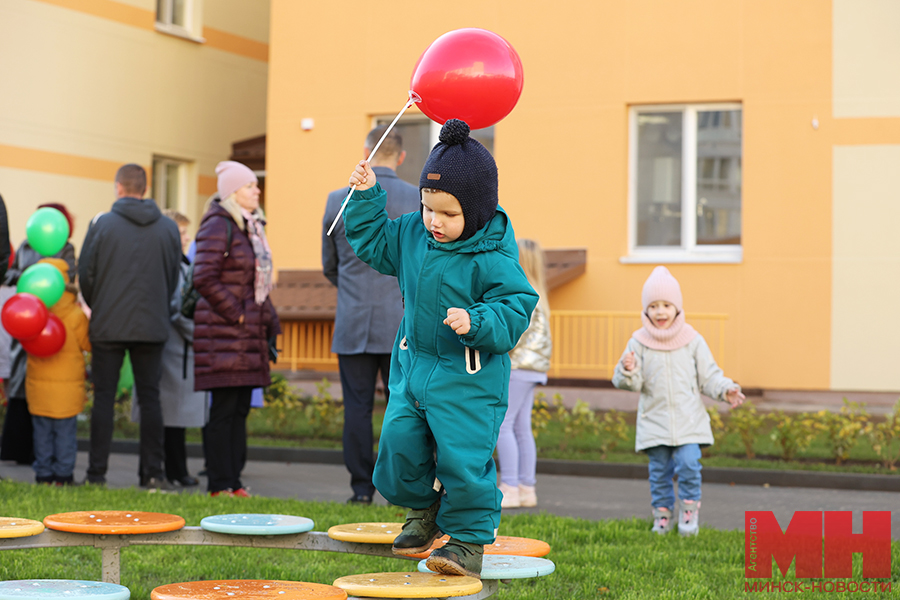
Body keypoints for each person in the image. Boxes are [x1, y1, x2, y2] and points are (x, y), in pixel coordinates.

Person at [344, 119, 538, 578]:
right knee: (397, 448)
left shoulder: (491, 253)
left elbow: (516, 306)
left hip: (467, 379)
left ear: (475, 211)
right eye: (428, 208)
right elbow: (372, 243)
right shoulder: (413, 234)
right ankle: (423, 511)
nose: (434, 221)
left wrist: (477, 320)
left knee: (464, 460)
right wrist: (369, 196)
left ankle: (467, 543)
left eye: (448, 214)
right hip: (414, 368)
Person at [322, 125, 421, 505]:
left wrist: (350, 290)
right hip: (402, 323)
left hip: (352, 320)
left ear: (367, 150)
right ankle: (403, 488)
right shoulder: (417, 199)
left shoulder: (337, 200)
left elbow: (329, 265)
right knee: (404, 408)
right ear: (401, 157)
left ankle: (360, 489)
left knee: (356, 409)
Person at [612, 266, 745, 536]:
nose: (660, 312)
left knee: (688, 464)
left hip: (689, 421)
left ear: (677, 308)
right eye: (653, 306)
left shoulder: (693, 341)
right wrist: (628, 370)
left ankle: (688, 510)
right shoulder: (638, 343)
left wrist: (726, 389)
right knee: (659, 472)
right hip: (655, 421)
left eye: (666, 305)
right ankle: (662, 515)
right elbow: (630, 383)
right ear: (646, 310)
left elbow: (709, 377)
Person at [78, 164, 182, 489]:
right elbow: (173, 276)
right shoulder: (168, 228)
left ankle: (96, 474)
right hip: (152, 325)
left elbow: (86, 274)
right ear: (145, 189)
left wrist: (100, 305)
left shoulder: (102, 224)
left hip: (108, 324)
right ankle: (152, 474)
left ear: (119, 188)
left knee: (104, 398)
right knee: (150, 397)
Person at [192, 161, 280, 497]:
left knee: (240, 409)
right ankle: (218, 483)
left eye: (256, 186)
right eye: (249, 186)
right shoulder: (218, 224)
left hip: (247, 336)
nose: (257, 190)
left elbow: (255, 285)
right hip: (224, 334)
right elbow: (204, 277)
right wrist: (238, 314)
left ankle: (235, 482)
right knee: (224, 410)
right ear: (232, 192)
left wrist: (269, 319)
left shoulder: (252, 227)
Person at [131, 210, 207, 487]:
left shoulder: (182, 264)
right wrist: (200, 335)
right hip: (174, 349)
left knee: (176, 415)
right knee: (169, 413)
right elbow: (178, 309)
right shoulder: (172, 266)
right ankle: (168, 469)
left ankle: (175, 469)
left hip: (180, 350)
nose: (187, 238)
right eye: (182, 233)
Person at [1, 202, 75, 466]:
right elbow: (12, 272)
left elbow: (68, 281)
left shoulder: (66, 249)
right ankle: (18, 450)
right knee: (22, 382)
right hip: (26, 318)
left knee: (41, 384)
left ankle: (38, 454)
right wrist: (25, 277)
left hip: (53, 319)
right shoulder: (25, 246)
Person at [496, 239, 552, 509]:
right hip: (533, 368)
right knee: (520, 427)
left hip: (518, 366)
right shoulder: (539, 293)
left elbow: (513, 334)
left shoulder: (523, 292)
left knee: (502, 425)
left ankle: (509, 486)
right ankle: (526, 487)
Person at [25, 258, 91, 485]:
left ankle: (43, 474)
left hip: (38, 388)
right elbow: (88, 344)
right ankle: (63, 476)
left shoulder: (32, 314)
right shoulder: (75, 315)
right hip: (67, 390)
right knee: (65, 435)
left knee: (42, 434)